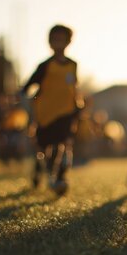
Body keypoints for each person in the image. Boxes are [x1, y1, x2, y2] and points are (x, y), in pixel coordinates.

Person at [21, 25, 81, 195]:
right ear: (49, 42)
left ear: (68, 42)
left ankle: (60, 178)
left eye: (62, 39)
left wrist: (78, 106)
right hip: (45, 114)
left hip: (67, 112)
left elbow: (73, 88)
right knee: (43, 148)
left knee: (63, 144)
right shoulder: (44, 66)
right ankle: (40, 169)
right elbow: (28, 86)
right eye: (54, 39)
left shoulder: (72, 65)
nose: (58, 43)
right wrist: (22, 99)